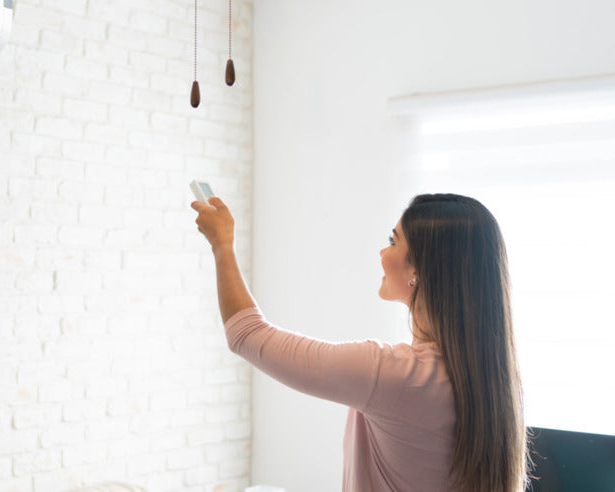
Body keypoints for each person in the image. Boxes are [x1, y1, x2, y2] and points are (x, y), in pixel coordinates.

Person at [191, 193, 527, 492]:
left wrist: (223, 245)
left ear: (419, 271)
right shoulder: (495, 381)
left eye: (393, 242)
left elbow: (247, 334)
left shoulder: (395, 375)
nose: (382, 252)